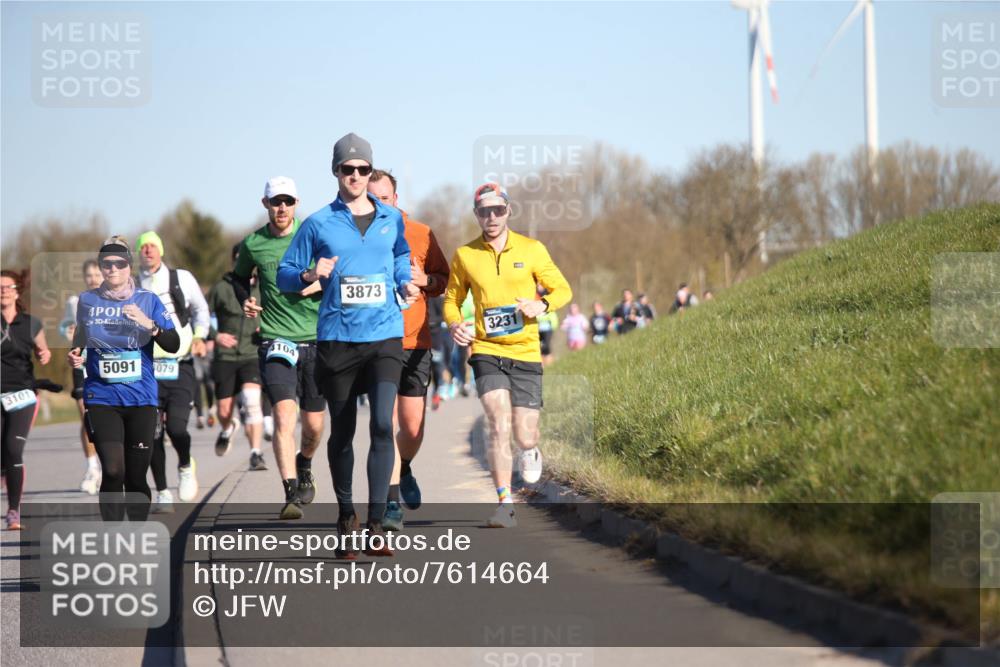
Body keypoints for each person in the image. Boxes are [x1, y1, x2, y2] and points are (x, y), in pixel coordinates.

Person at [277, 132, 418, 557]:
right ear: (335, 172)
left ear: (370, 172)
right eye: (347, 169)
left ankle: (376, 524)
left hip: (385, 336)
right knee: (343, 432)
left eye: (363, 169)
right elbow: (285, 274)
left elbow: (399, 255)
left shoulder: (391, 219)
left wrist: (403, 279)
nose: (356, 176)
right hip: (338, 339)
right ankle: (345, 517)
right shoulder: (318, 223)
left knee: (380, 425)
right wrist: (308, 274)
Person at [444, 182, 571, 528]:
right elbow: (451, 300)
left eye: (497, 209)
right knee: (497, 422)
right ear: (476, 215)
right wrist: (456, 325)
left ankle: (530, 450)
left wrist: (540, 304)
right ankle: (505, 503)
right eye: (484, 211)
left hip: (526, 350)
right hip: (486, 349)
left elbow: (563, 289)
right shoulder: (465, 255)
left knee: (524, 433)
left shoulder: (532, 250)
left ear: (508, 211)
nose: (491, 216)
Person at [67, 237, 180, 521]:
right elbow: (80, 337)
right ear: (101, 268)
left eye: (119, 264)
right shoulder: (87, 300)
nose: (113, 269)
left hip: (141, 398)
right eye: (107, 264)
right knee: (114, 470)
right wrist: (76, 354)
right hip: (102, 397)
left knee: (136, 476)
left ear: (129, 266)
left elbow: (173, 343)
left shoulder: (148, 300)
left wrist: (149, 325)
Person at [236, 176, 326, 520]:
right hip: (277, 340)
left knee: (314, 426)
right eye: (276, 202)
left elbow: (336, 274)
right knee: (285, 416)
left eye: (288, 201)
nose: (282, 208)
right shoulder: (254, 243)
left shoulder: (314, 235)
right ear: (266, 204)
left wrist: (316, 283)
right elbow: (239, 277)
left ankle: (304, 463)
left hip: (316, 340)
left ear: (297, 203)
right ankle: (290, 492)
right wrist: (246, 299)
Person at [367, 169, 450, 531]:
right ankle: (390, 501)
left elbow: (442, 279)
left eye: (383, 198)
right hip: (375, 342)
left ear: (395, 199)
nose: (377, 205)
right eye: (371, 199)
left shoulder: (421, 233)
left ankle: (406, 465)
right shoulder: (357, 236)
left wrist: (424, 281)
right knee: (385, 423)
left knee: (412, 428)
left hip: (415, 343)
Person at [135, 230, 210, 511]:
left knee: (177, 428)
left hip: (181, 365)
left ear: (161, 250)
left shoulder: (181, 279)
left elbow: (202, 310)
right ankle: (163, 490)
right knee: (152, 433)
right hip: (146, 369)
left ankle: (185, 464)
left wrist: (201, 336)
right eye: (143, 247)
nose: (148, 251)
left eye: (153, 246)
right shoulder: (131, 285)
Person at [1, 270, 51, 530]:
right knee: (2, 455)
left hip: (22, 395)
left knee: (12, 448)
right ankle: (3, 471)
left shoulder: (30, 323)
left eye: (8, 287)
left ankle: (13, 511)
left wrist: (44, 355)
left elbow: (43, 351)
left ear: (17, 291)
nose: (3, 291)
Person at [208, 244, 265, 470]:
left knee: (252, 403)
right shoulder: (221, 288)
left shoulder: (264, 287)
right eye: (241, 259)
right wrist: (216, 335)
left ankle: (256, 452)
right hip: (226, 356)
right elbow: (200, 316)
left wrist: (266, 328)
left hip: (252, 353)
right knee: (223, 411)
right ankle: (228, 427)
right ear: (234, 261)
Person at [60, 258, 104, 494]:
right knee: (86, 416)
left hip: (104, 364)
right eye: (89, 275)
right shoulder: (75, 301)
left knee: (104, 416)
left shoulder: (111, 300)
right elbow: (64, 325)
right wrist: (67, 331)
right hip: (81, 364)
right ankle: (91, 467)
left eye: (97, 274)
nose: (93, 278)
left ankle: (108, 463)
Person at [536, 286, 559, 365]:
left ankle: (550, 364)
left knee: (546, 346)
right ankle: (541, 365)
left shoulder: (548, 292)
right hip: (537, 325)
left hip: (548, 326)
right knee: (538, 346)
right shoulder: (533, 292)